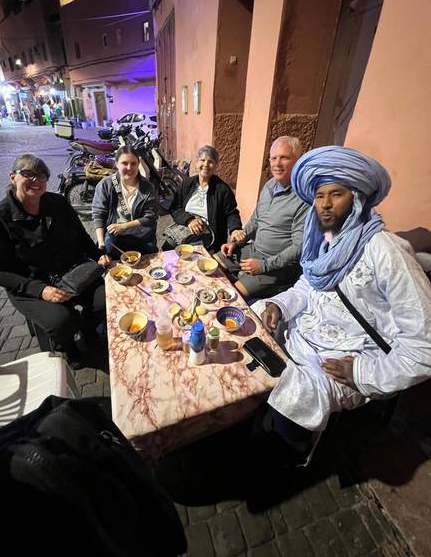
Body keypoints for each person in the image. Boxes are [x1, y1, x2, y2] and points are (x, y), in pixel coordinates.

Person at [253, 145, 431, 467]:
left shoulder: (386, 251)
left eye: (336, 194)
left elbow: (424, 345)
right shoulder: (323, 238)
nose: (324, 204)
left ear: (357, 198)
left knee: (293, 403)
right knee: (250, 323)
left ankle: (293, 446)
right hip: (307, 331)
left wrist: (362, 372)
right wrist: (279, 305)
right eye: (320, 195)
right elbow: (308, 285)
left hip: (349, 356)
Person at [0, 154, 112, 368]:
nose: (37, 180)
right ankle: (69, 349)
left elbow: (81, 237)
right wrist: (41, 290)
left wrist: (99, 256)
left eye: (42, 176)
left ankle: (88, 330)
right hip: (32, 284)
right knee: (62, 320)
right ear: (13, 177)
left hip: (73, 274)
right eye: (28, 174)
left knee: (107, 297)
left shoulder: (58, 202)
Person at [216, 136, 309, 299]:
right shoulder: (269, 185)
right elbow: (255, 221)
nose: (277, 164)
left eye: (284, 158)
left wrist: (264, 266)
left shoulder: (303, 198)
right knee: (211, 264)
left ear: (298, 161)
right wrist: (236, 242)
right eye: (273, 158)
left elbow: (299, 247)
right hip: (253, 250)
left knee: (230, 296)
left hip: (276, 267)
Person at [162, 145, 242, 253]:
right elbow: (175, 207)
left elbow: (231, 213)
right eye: (202, 160)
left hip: (208, 233)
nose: (205, 165)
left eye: (210, 161)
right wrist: (189, 220)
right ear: (196, 163)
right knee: (166, 248)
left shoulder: (222, 189)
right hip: (185, 228)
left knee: (191, 254)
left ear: (216, 165)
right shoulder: (187, 184)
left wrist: (235, 229)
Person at [92, 145, 158, 255]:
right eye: (124, 163)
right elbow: (99, 215)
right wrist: (101, 245)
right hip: (114, 236)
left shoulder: (147, 186)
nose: (129, 167)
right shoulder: (106, 185)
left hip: (141, 234)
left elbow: (151, 217)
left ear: (138, 165)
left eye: (133, 163)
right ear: (117, 164)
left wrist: (124, 226)